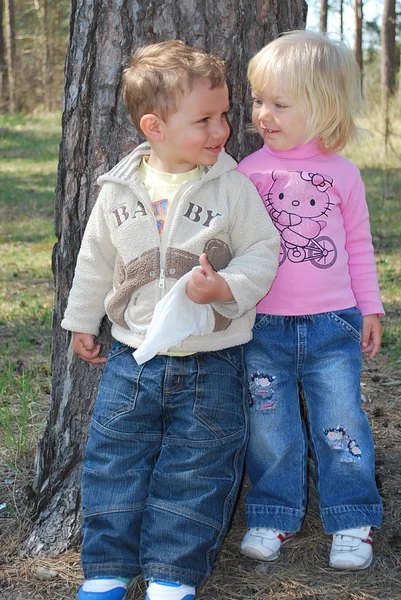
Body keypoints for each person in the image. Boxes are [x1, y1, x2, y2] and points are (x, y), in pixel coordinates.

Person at [61, 40, 279, 600]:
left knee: (197, 470)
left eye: (225, 115)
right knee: (114, 461)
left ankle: (172, 576)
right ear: (154, 126)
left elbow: (263, 249)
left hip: (212, 363)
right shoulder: (118, 190)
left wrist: (224, 287)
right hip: (132, 361)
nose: (222, 130)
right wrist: (83, 320)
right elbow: (95, 261)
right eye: (204, 119)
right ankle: (107, 567)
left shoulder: (231, 187)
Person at [237, 30, 383, 571]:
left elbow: (360, 247)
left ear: (322, 106)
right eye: (257, 101)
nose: (263, 114)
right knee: (269, 426)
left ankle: (351, 520)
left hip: (331, 326)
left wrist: (370, 308)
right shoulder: (244, 174)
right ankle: (274, 512)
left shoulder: (343, 173)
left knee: (340, 422)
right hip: (262, 328)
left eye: (279, 103)